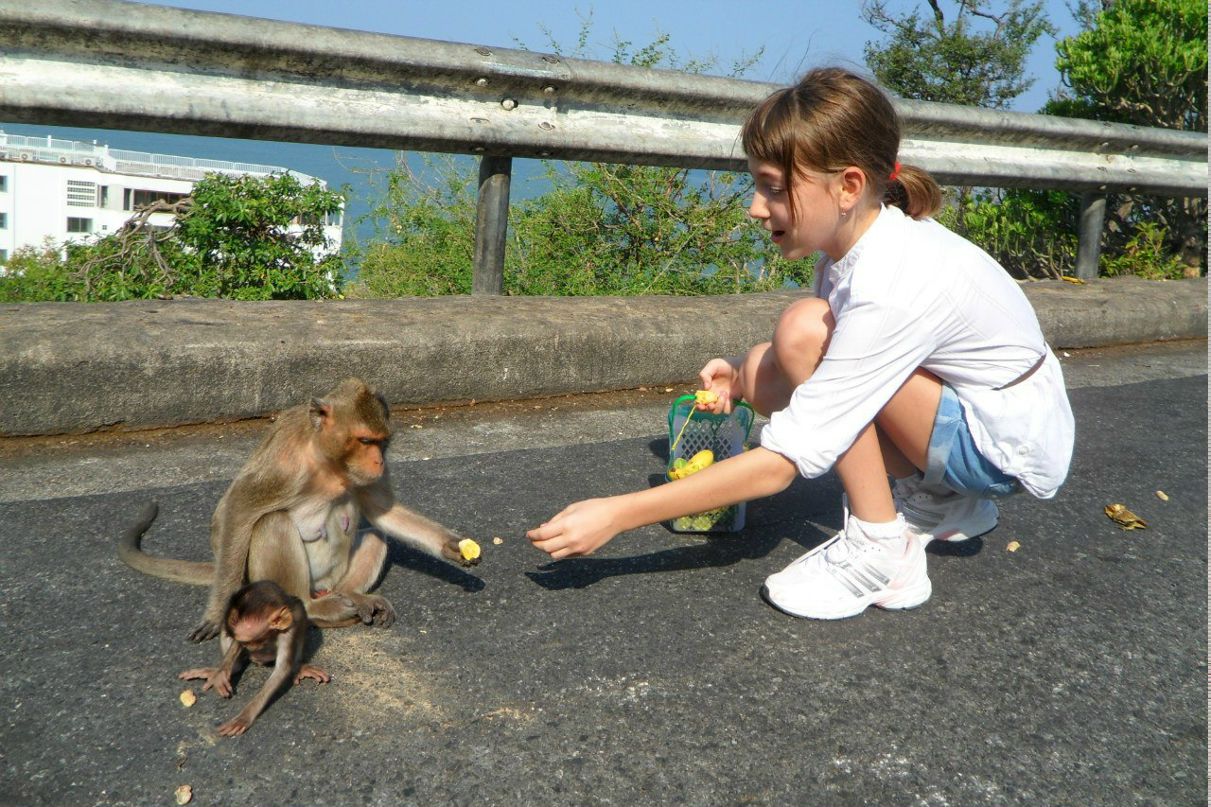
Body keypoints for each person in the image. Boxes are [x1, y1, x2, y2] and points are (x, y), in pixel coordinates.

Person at [526, 67, 1075, 620]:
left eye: (773, 187)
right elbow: (795, 374)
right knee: (771, 363)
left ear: (848, 187)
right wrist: (739, 374)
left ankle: (881, 552)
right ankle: (946, 501)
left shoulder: (891, 283)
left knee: (804, 332)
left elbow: (783, 462)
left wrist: (618, 514)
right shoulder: (865, 241)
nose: (755, 206)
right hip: (985, 417)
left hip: (998, 450)